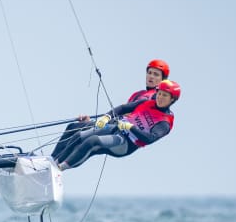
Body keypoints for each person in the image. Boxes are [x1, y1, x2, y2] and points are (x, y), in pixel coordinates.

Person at [51, 58, 171, 160]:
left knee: (82, 140)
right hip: (114, 125)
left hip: (124, 136)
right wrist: (91, 121)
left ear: (163, 80)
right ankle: (54, 163)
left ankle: (53, 162)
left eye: (156, 74)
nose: (151, 76)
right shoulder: (139, 94)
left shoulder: (154, 98)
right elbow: (123, 111)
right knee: (74, 131)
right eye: (149, 72)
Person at [52, 80, 180, 170]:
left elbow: (149, 138)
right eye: (160, 93)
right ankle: (54, 163)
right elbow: (123, 108)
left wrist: (131, 128)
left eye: (165, 95)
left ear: (172, 100)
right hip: (115, 128)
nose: (160, 97)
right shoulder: (147, 103)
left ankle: (59, 169)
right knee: (79, 136)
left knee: (92, 142)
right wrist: (106, 117)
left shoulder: (164, 122)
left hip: (125, 143)